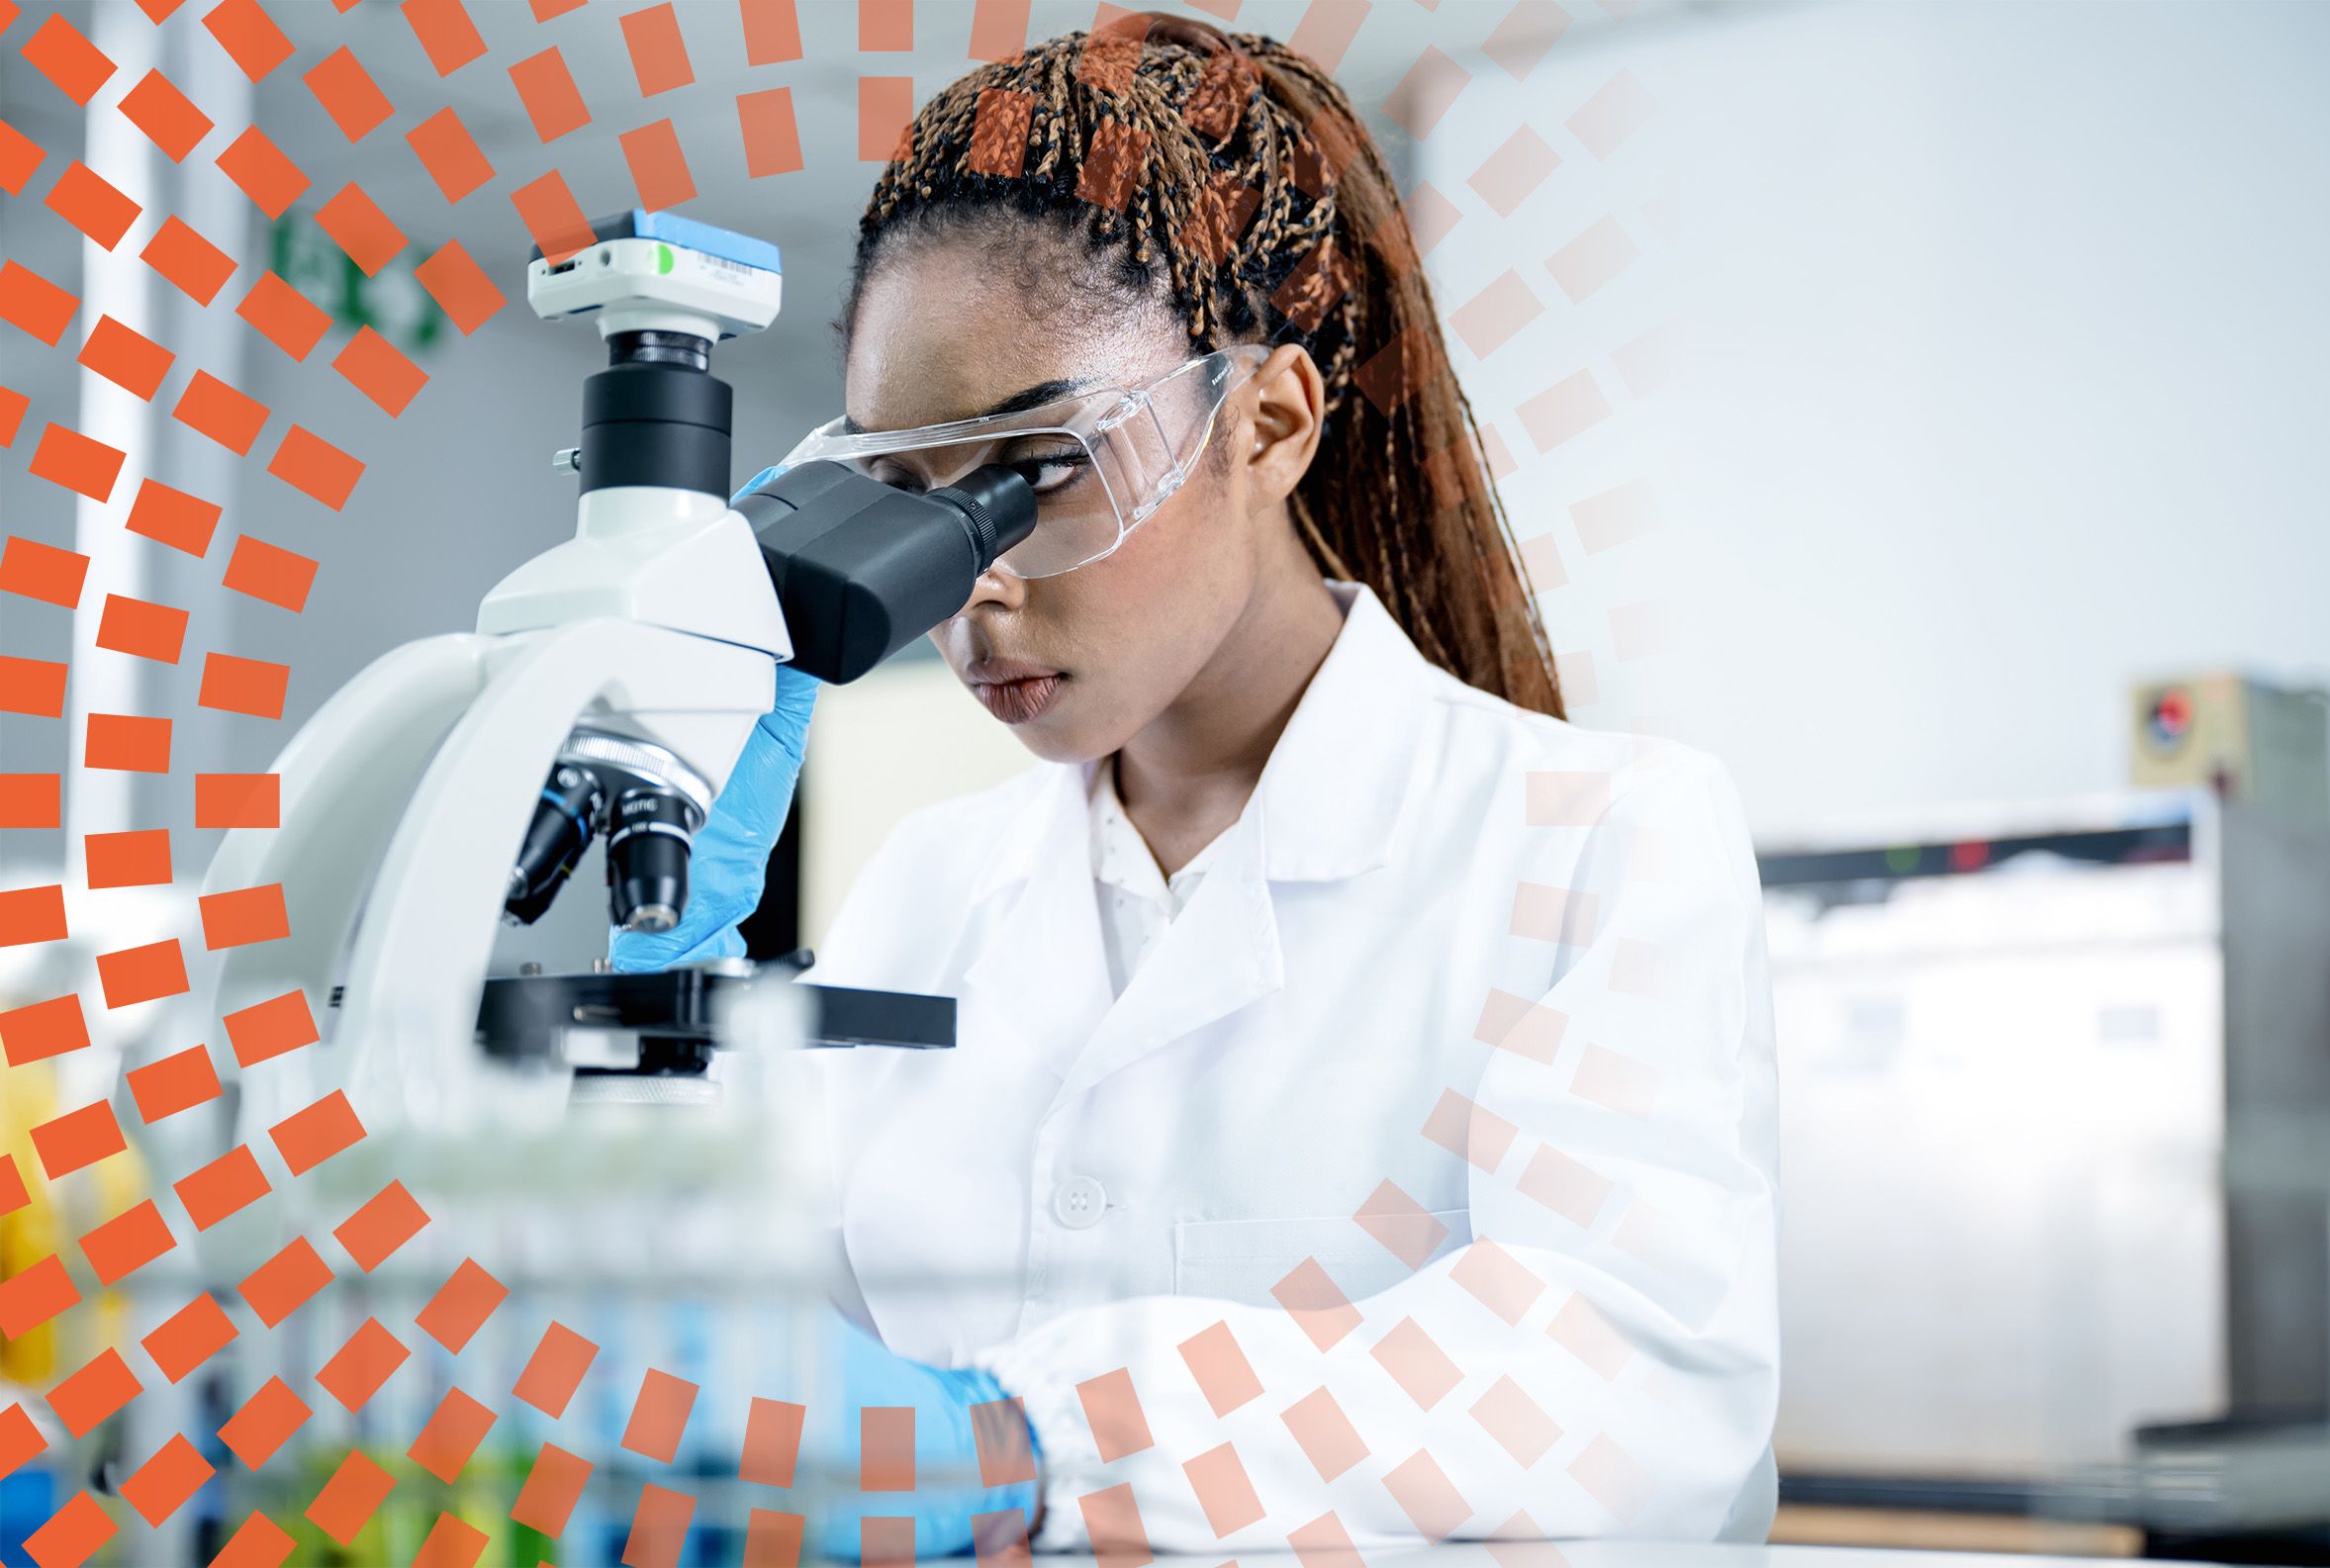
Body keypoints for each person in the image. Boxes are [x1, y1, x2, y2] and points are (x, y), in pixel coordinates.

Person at [615, 13, 1779, 1561]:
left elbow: (1625, 1401)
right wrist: (655, 1057)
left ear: (1270, 424)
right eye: (904, 493)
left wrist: (1034, 1444)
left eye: (1036, 468)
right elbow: (742, 1371)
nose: (970, 593)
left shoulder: (1601, 843)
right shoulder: (925, 886)